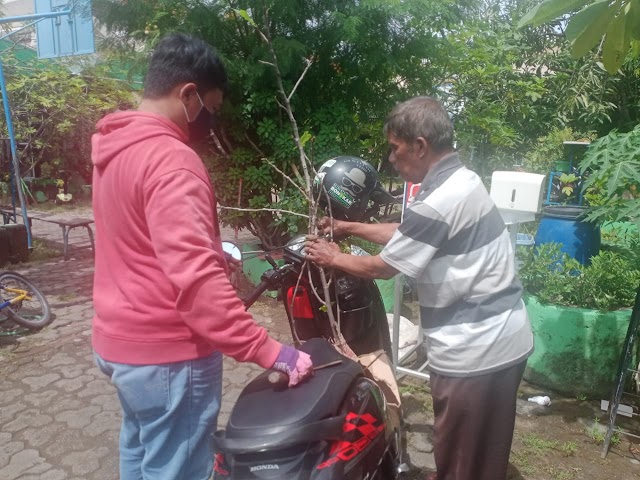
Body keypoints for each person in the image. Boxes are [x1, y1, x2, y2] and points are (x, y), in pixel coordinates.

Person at [90, 33, 313, 480]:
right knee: (178, 470)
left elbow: (140, 244)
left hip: (119, 345)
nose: (209, 121)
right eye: (209, 109)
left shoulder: (113, 150)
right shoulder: (172, 160)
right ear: (188, 94)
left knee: (141, 452)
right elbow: (197, 283)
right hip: (168, 356)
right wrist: (271, 351)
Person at [305, 96, 533, 480]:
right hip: (502, 338)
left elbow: (384, 266)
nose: (391, 159)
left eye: (395, 148)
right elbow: (410, 233)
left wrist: (332, 256)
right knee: (476, 447)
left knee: (465, 455)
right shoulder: (462, 181)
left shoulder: (441, 199)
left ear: (420, 145)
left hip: (476, 351)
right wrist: (349, 229)